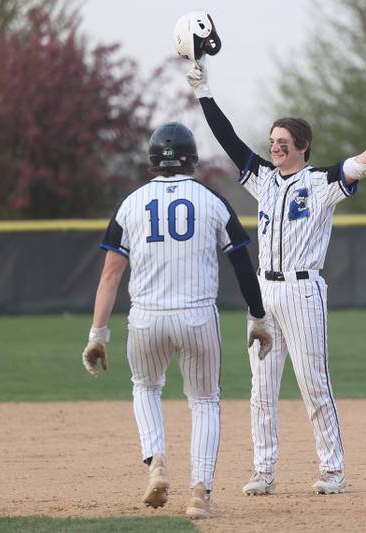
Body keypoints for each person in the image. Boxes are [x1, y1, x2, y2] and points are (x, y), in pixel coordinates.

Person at [186, 57, 366, 495]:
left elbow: (361, 163)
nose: (274, 146)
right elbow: (229, 140)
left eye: (282, 141)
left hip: (302, 290)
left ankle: (332, 471)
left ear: (302, 145)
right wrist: (204, 92)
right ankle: (263, 470)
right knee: (261, 391)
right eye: (273, 140)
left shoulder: (320, 182)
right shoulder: (262, 179)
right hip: (264, 292)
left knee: (314, 384)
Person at [81, 122, 272, 519]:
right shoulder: (212, 200)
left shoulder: (130, 203)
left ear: (153, 162)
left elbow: (110, 275)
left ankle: (156, 462)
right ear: (192, 160)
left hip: (146, 318)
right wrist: (257, 317)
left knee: (145, 388)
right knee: (204, 401)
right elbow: (242, 267)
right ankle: (199, 492)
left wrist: (98, 334)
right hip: (198, 315)